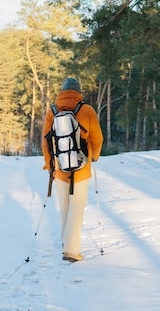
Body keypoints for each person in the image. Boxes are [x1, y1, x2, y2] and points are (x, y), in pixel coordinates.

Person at [42, 77, 104, 262]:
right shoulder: (87, 110)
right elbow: (97, 138)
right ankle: (71, 250)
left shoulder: (52, 111)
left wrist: (50, 165)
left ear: (62, 91)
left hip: (60, 170)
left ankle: (65, 243)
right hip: (81, 169)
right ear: (79, 92)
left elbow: (46, 141)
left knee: (65, 208)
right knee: (77, 208)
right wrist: (94, 157)